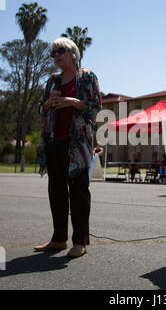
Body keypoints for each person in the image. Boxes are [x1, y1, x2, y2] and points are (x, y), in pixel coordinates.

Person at [35, 37, 101, 258]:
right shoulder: (53, 80)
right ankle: (58, 239)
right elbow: (40, 109)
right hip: (54, 141)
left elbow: (95, 108)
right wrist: (47, 103)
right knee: (56, 190)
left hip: (78, 144)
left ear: (73, 53)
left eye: (60, 51)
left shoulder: (87, 77)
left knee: (79, 192)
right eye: (52, 53)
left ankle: (79, 241)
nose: (55, 56)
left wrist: (72, 102)